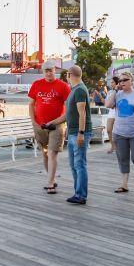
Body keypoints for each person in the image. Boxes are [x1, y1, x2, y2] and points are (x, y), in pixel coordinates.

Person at [28, 62, 70, 195]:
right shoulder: (37, 84)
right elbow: (31, 104)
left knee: (52, 153)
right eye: (46, 71)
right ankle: (50, 177)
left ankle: (51, 183)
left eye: (51, 70)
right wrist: (34, 122)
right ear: (43, 71)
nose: (48, 73)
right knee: (45, 154)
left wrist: (62, 121)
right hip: (40, 125)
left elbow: (68, 107)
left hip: (56, 126)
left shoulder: (63, 86)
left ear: (54, 70)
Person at [105, 75, 134, 193]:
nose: (122, 82)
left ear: (132, 82)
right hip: (119, 133)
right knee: (122, 158)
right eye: (120, 80)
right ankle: (124, 185)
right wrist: (115, 90)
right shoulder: (117, 94)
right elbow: (108, 105)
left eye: (125, 80)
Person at [57, 65, 91, 205]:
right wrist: (52, 123)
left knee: (79, 163)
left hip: (78, 133)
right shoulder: (74, 90)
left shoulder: (80, 90)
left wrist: (81, 133)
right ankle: (77, 193)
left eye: (67, 75)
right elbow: (68, 115)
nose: (66, 77)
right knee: (73, 164)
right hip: (72, 132)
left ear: (70, 75)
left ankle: (81, 195)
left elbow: (82, 113)